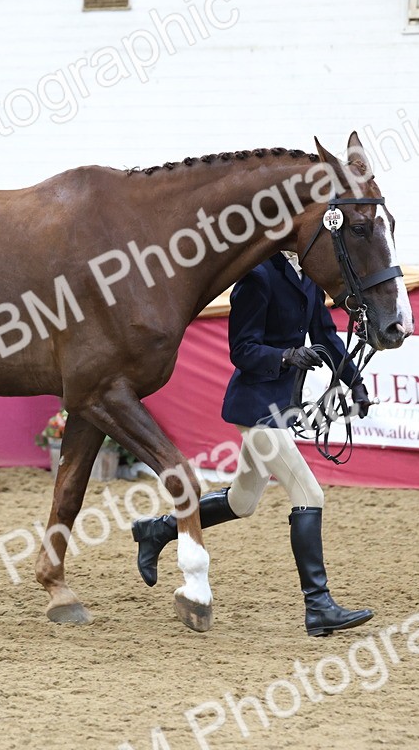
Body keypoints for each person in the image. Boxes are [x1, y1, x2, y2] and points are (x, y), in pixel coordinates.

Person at [131, 251, 374, 637]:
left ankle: (158, 530)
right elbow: (242, 350)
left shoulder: (309, 276)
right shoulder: (257, 277)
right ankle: (319, 606)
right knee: (310, 494)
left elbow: (326, 335)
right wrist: (285, 356)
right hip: (258, 410)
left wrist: (356, 382)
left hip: (282, 408)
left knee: (241, 502)